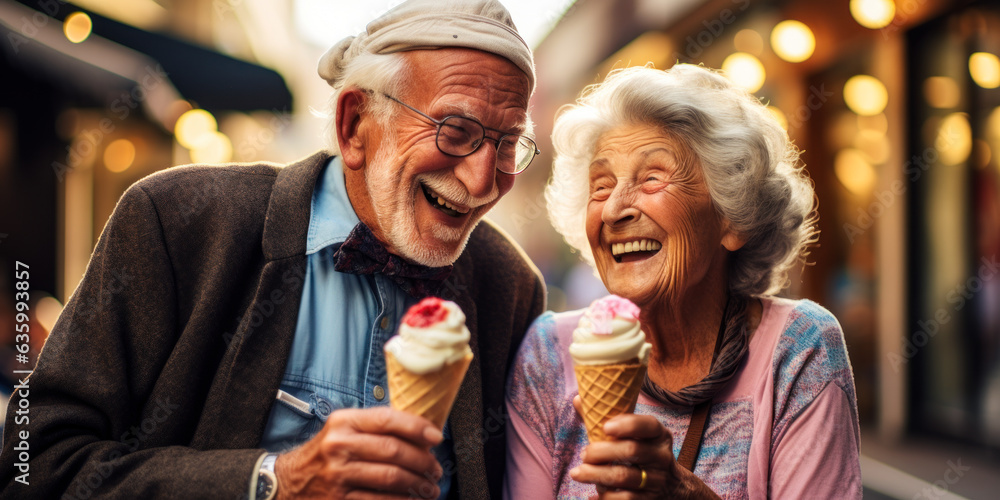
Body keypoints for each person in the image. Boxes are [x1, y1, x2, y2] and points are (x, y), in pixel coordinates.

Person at [0, 1, 546, 499]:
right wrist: (271, 481)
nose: (481, 181)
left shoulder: (510, 287)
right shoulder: (177, 220)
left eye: (506, 144)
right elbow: (36, 466)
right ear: (356, 124)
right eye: (454, 131)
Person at [504, 64, 861, 499]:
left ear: (733, 216)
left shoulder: (797, 348)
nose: (616, 208)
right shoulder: (550, 353)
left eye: (653, 177)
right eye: (601, 185)